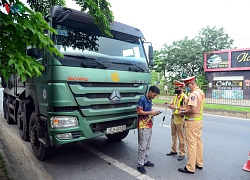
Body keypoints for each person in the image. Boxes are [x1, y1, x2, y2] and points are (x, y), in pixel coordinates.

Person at [177, 76, 205, 174]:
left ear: (192, 84)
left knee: (191, 144)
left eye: (187, 85)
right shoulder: (201, 93)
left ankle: (190, 167)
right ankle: (199, 163)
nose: (186, 87)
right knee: (198, 142)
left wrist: (183, 112)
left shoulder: (193, 94)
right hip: (199, 121)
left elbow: (192, 109)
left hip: (192, 121)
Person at [137, 85, 161, 174]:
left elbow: (149, 111)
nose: (155, 97)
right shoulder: (142, 99)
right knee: (142, 146)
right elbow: (139, 111)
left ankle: (145, 161)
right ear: (150, 92)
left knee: (147, 145)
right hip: (143, 125)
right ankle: (140, 164)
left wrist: (154, 112)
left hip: (149, 124)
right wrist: (151, 112)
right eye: (154, 95)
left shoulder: (150, 100)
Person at [166, 80, 187, 161]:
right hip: (173, 117)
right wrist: (169, 105)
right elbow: (171, 105)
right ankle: (173, 150)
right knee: (173, 135)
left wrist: (176, 108)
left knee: (181, 136)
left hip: (180, 119)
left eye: (177, 87)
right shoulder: (175, 96)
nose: (176, 89)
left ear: (181, 88)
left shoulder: (184, 97)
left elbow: (186, 108)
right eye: (175, 87)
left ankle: (182, 153)